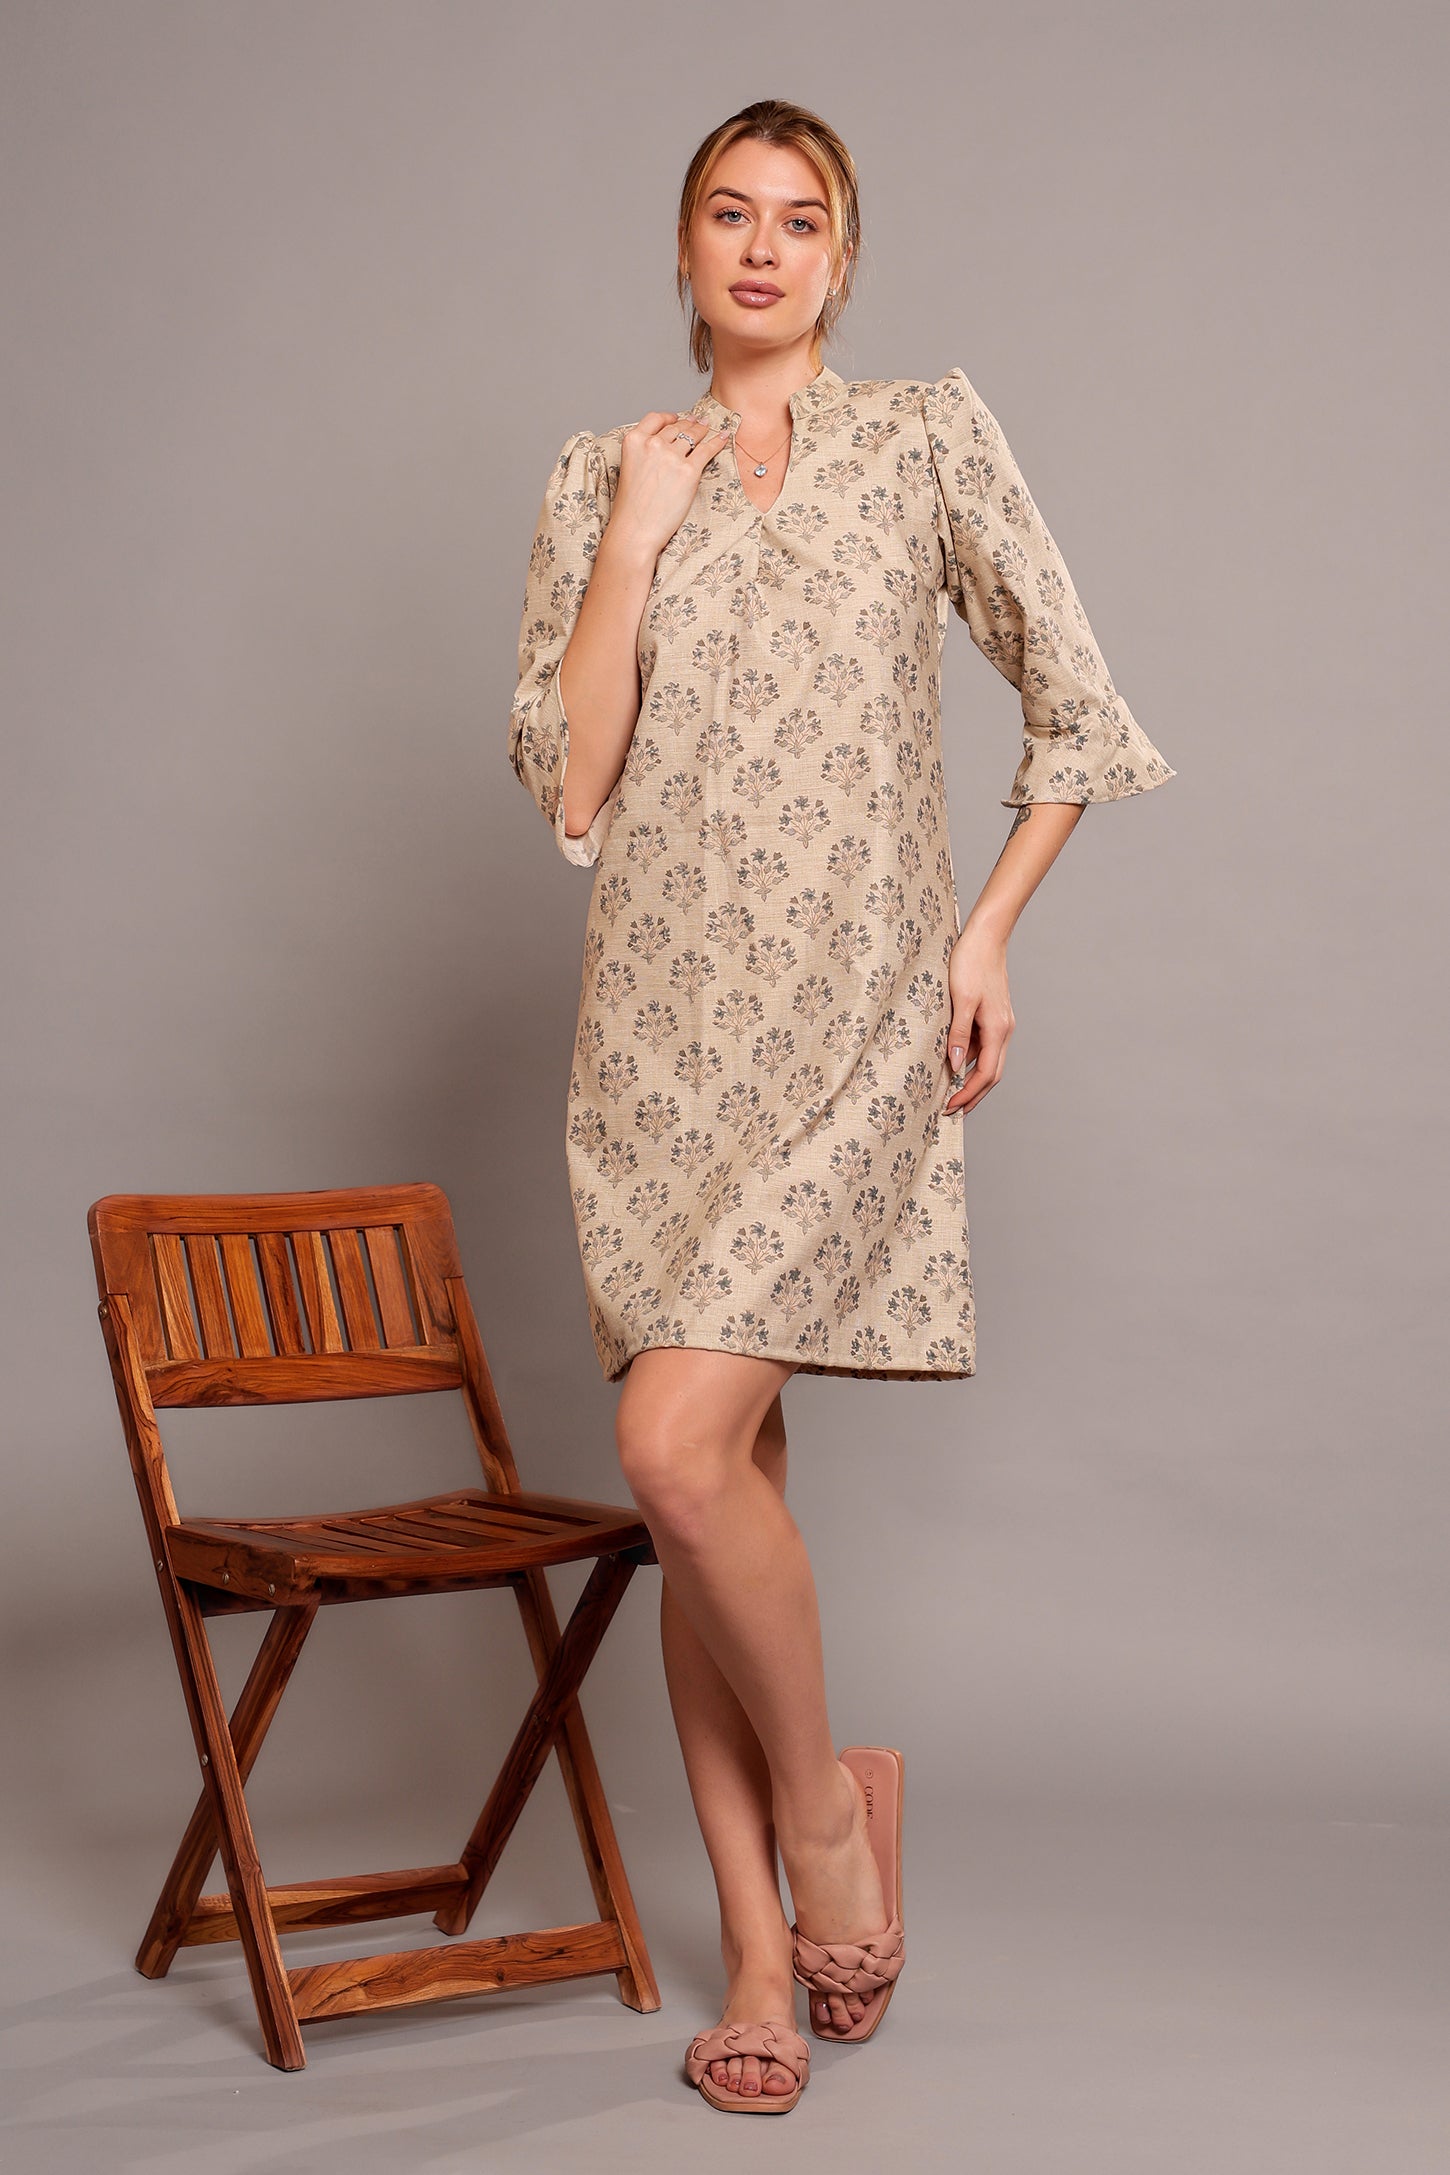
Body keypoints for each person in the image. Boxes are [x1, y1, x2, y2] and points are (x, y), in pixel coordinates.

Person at [506, 99, 1176, 2114]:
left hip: (846, 1041)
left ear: (845, 261)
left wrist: (981, 939)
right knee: (716, 1495)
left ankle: (817, 1821)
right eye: (731, 214)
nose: (765, 248)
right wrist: (632, 541)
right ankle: (761, 1971)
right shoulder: (596, 473)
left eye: (803, 220)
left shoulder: (920, 440)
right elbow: (570, 785)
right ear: (685, 246)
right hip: (654, 1051)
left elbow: (1076, 708)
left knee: (671, 1449)